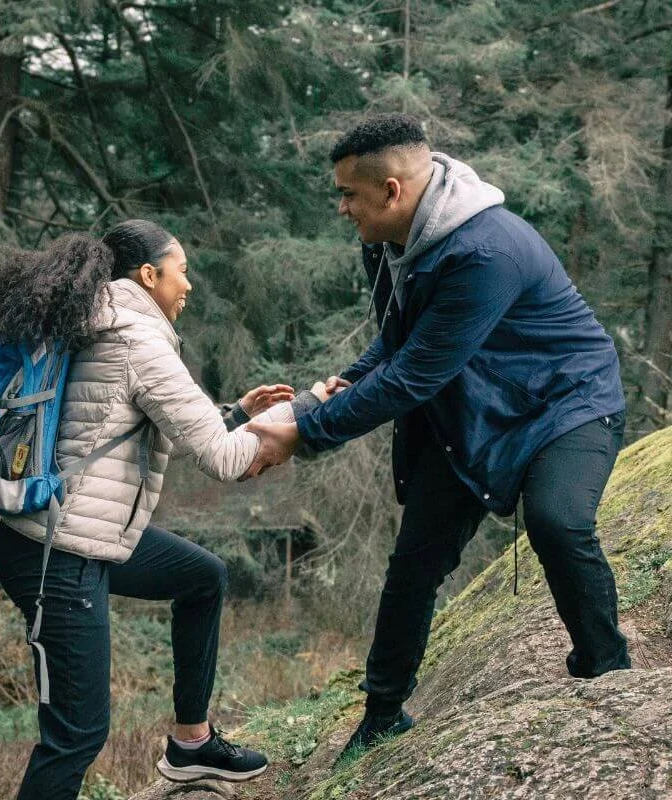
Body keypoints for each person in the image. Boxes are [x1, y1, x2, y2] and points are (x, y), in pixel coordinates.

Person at [244, 114, 631, 758]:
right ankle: (382, 715)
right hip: (477, 408)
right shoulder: (392, 241)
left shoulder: (486, 251)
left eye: (349, 195)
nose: (342, 208)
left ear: (392, 191)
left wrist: (304, 434)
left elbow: (413, 377)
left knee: (559, 523)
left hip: (566, 403)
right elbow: (397, 346)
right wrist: (315, 399)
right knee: (415, 563)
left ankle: (607, 671)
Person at [0, 220, 317, 799]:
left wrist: (230, 412)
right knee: (77, 734)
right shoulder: (139, 338)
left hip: (75, 535)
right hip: (56, 556)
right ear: (150, 275)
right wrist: (310, 411)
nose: (189, 285)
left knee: (202, 577)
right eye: (182, 270)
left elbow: (130, 428)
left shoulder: (96, 320)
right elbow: (228, 462)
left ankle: (191, 744)